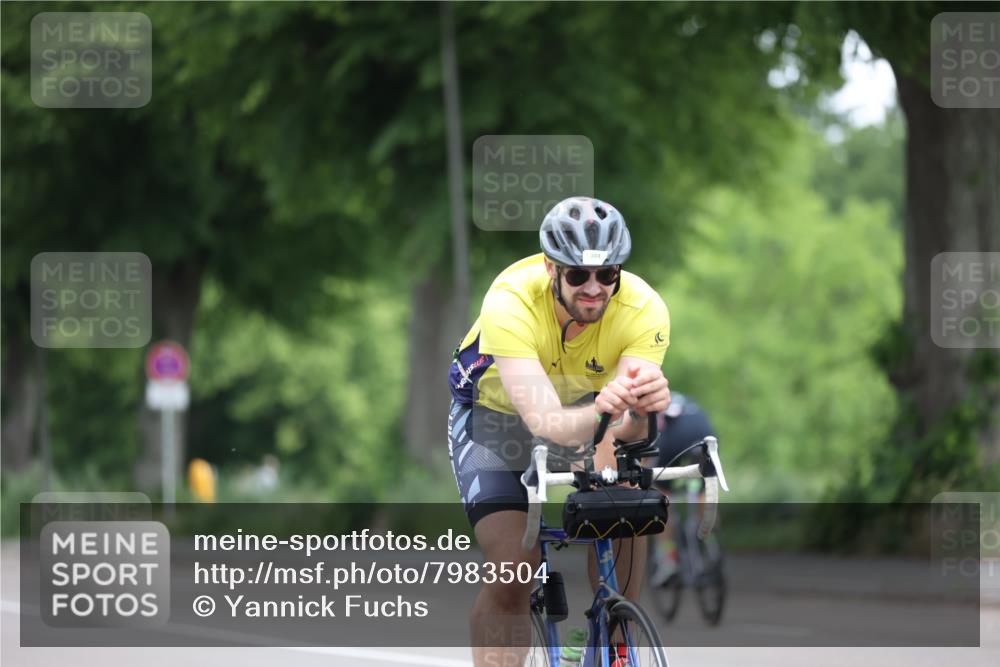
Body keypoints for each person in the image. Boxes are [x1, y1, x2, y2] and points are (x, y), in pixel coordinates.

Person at [447, 196, 672, 666]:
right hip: (497, 416)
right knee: (515, 565)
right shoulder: (509, 300)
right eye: (577, 275)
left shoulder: (643, 309)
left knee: (627, 499)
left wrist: (643, 410)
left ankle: (614, 634)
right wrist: (605, 414)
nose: (594, 288)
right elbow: (545, 422)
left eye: (607, 274)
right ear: (552, 268)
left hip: (587, 409)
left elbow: (628, 426)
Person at [649, 392, 719, 585]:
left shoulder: (646, 399)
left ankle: (668, 561)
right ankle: (710, 542)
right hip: (706, 432)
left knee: (661, 494)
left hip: (674, 436)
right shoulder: (682, 398)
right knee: (705, 488)